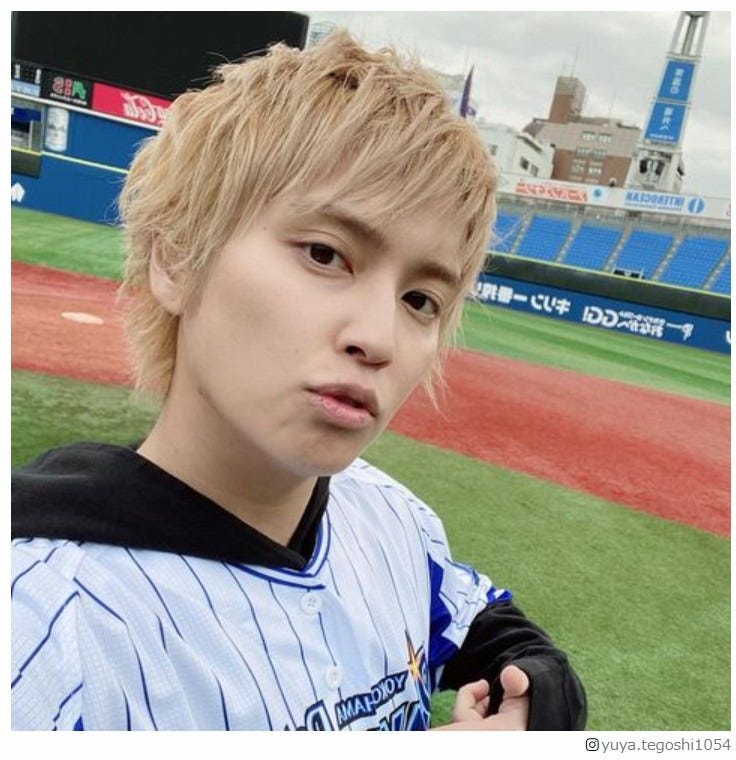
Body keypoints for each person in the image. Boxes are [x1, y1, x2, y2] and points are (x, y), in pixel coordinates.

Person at [11, 30, 586, 731]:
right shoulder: (44, 631)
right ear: (176, 257)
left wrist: (538, 694)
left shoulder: (391, 515)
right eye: (325, 254)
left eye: (420, 300)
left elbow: (483, 621)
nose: (378, 338)